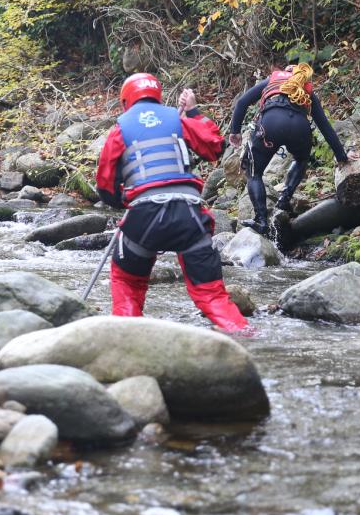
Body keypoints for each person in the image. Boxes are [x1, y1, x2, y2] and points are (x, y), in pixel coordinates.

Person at [95, 73, 248, 332]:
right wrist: (194, 112)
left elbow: (105, 186)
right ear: (157, 94)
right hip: (189, 215)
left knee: (127, 283)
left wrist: (122, 201)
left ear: (125, 101)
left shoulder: (119, 129)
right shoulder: (177, 119)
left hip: (144, 218)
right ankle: (246, 337)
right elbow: (215, 147)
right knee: (211, 295)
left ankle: (127, 339)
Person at [227, 63, 350, 235]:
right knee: (300, 160)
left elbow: (241, 103)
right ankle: (283, 202)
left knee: (254, 173)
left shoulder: (273, 80)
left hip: (271, 123)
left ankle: (261, 220)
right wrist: (341, 155)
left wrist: (235, 131)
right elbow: (324, 125)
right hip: (299, 127)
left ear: (286, 72)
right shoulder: (306, 90)